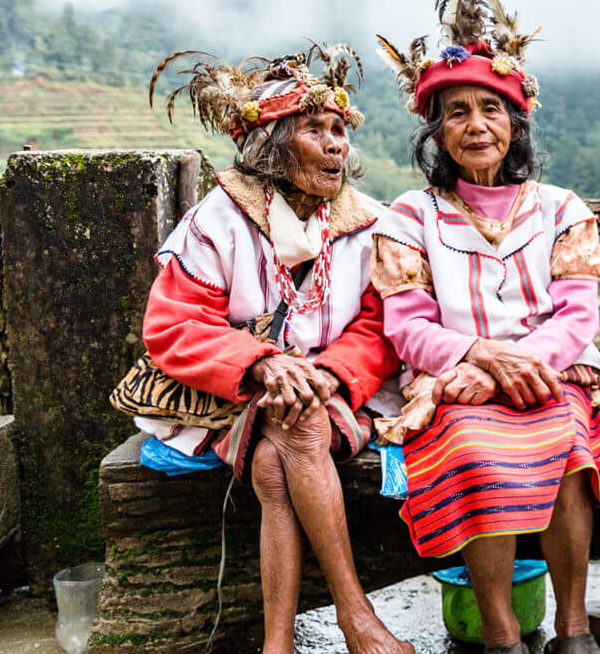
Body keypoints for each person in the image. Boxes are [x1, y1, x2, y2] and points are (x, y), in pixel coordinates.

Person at [371, 0, 600, 654]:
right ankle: (504, 636)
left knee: (572, 451)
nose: (476, 124)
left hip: (552, 373)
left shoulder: (562, 208)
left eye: (491, 109)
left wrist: (524, 363)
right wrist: (482, 358)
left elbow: (576, 316)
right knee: (477, 451)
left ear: (515, 124)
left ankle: (573, 628)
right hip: (455, 383)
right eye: (456, 112)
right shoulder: (408, 218)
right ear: (436, 133)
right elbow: (408, 326)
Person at [140, 44, 414, 654]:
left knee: (277, 457)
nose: (335, 143)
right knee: (300, 429)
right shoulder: (218, 222)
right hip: (232, 391)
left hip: (332, 389)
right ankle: (357, 617)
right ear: (271, 145)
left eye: (339, 129)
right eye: (314, 129)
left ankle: (277, 645)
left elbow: (377, 326)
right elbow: (174, 326)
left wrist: (330, 376)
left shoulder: (368, 223)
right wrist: (262, 363)